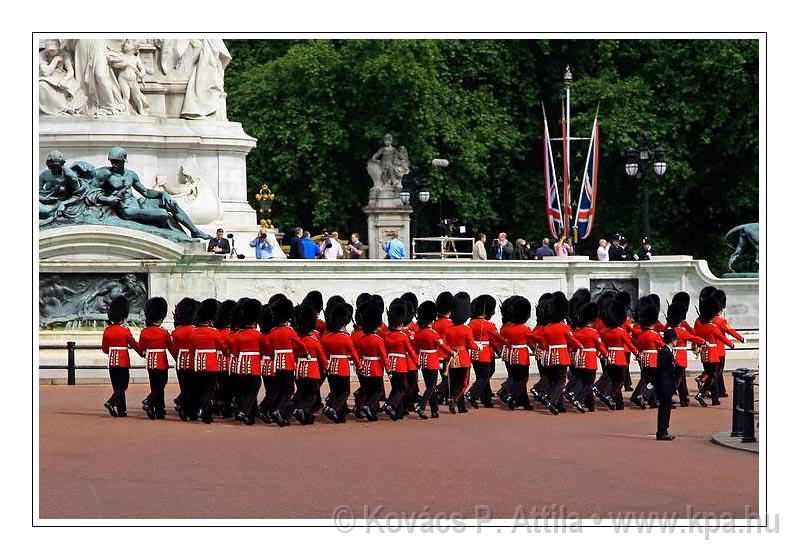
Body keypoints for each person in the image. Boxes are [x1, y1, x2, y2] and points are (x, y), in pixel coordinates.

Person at [101, 295, 140, 417]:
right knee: (123, 384)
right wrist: (143, 353)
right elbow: (133, 344)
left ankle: (121, 410)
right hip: (122, 361)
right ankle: (111, 402)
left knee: (117, 386)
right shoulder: (125, 331)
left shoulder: (107, 330)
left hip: (112, 361)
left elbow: (105, 349)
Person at [137, 297, 172, 420]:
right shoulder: (164, 332)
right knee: (161, 384)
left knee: (155, 385)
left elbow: (141, 348)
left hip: (150, 361)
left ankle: (159, 409)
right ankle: (148, 401)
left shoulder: (144, 332)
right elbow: (171, 346)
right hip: (161, 361)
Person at [655, 328, 679, 440]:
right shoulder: (665, 352)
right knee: (664, 409)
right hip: (665, 385)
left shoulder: (667, 351)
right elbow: (663, 371)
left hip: (666, 384)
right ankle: (662, 431)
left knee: (666, 408)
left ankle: (663, 430)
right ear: (672, 340)